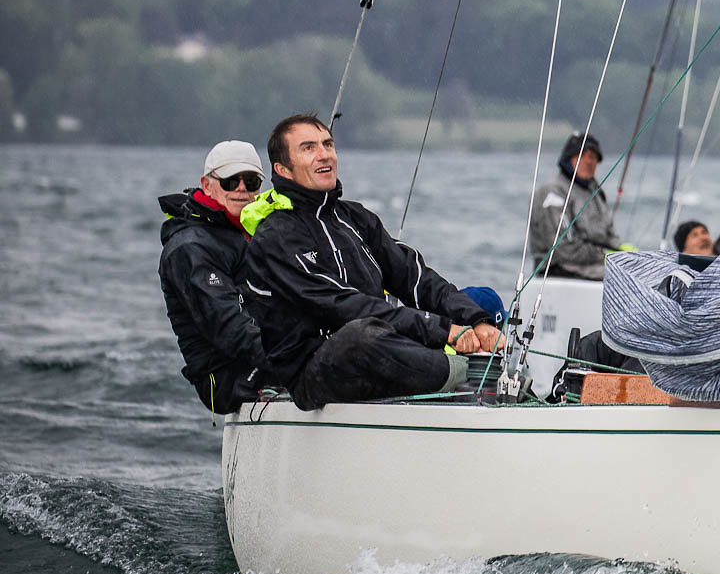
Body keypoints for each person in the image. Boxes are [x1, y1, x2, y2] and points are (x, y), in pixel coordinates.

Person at [242, 114, 499, 410]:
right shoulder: (275, 237)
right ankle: (467, 379)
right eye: (308, 148)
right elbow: (342, 306)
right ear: (283, 169)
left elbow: (415, 277)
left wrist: (476, 321)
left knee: (483, 303)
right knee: (360, 336)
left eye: (328, 144)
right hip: (313, 371)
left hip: (379, 344)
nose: (324, 154)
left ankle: (481, 377)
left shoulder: (356, 218)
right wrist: (444, 330)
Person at [158, 140, 277, 413]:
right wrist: (294, 357)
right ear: (207, 184)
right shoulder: (190, 247)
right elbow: (229, 327)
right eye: (230, 181)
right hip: (227, 381)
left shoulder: (255, 233)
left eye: (251, 181)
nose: (241, 189)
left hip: (266, 358)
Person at [527, 131, 623, 280]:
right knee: (628, 280)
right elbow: (562, 248)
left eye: (593, 157)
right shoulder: (553, 193)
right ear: (568, 159)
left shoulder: (596, 193)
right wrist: (604, 256)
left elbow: (609, 235)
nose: (589, 162)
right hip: (560, 269)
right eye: (582, 156)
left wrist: (624, 252)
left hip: (596, 265)